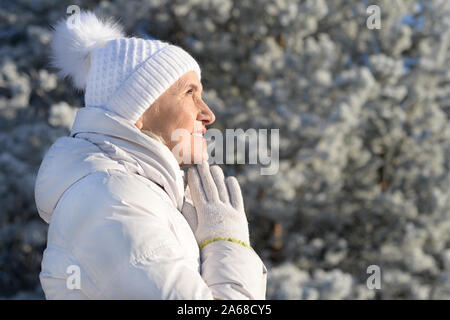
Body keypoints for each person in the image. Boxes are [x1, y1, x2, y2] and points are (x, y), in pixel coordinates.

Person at [34, 10, 267, 299]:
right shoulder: (114, 202)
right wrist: (227, 243)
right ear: (136, 111)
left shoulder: (133, 196)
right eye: (189, 93)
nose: (208, 114)